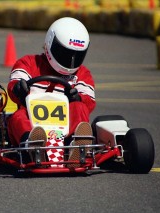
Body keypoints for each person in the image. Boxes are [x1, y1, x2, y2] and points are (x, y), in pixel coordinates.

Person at [6, 17, 96, 165]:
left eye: (76, 55)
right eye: (65, 53)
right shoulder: (29, 63)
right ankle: (33, 145)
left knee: (80, 107)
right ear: (50, 43)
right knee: (18, 116)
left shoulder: (82, 74)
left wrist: (78, 98)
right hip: (32, 124)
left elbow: (89, 101)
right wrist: (18, 88)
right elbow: (14, 83)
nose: (71, 60)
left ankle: (77, 146)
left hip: (65, 132)